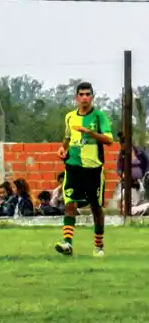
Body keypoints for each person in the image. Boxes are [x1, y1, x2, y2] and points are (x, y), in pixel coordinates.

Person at [55, 82, 113, 257]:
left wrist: (90, 133)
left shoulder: (99, 117)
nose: (84, 98)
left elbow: (109, 140)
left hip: (93, 169)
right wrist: (62, 149)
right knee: (69, 203)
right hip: (73, 167)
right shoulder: (70, 117)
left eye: (88, 94)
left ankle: (99, 245)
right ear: (76, 98)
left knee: (95, 207)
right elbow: (67, 138)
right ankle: (67, 244)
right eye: (81, 94)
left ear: (92, 97)